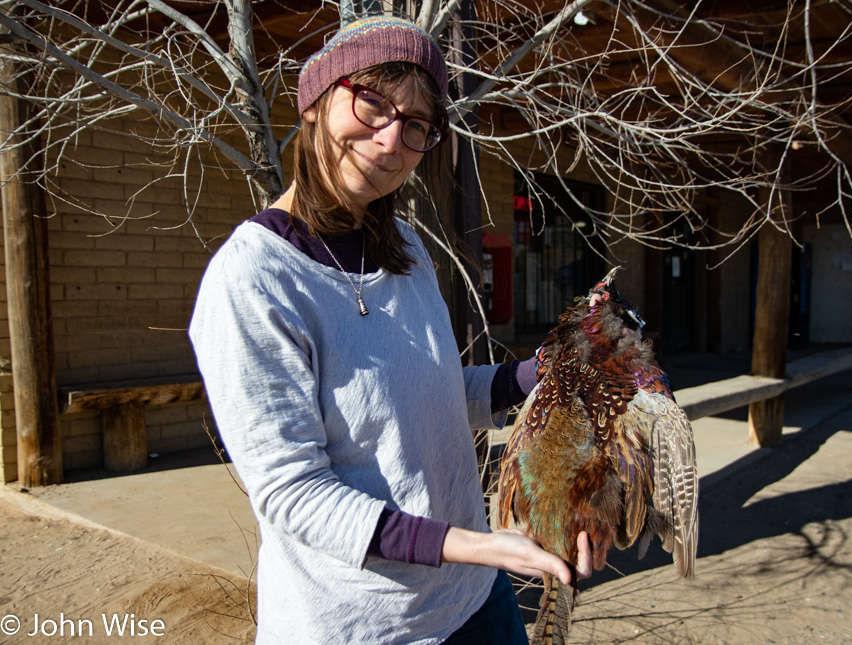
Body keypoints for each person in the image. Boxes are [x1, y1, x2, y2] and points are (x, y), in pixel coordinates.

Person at [189, 15, 591, 645]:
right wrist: (477, 547)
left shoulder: (405, 248)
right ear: (318, 102)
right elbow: (294, 494)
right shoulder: (254, 278)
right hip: (364, 624)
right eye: (372, 103)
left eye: (416, 127)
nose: (388, 141)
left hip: (473, 601)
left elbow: (426, 400)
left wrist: (543, 373)